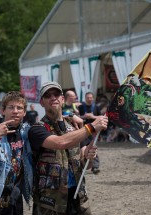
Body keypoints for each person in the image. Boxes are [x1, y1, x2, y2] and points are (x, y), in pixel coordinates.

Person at [28, 82, 108, 215]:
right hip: (50, 203)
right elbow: (60, 142)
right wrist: (91, 127)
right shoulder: (37, 129)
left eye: (56, 94)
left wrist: (89, 155)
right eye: (47, 96)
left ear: (62, 99)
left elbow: (86, 164)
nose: (53, 97)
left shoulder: (75, 126)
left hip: (78, 198)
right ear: (42, 102)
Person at [0, 91, 33, 215]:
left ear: (24, 112)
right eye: (11, 107)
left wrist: (69, 116)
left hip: (15, 198)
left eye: (19, 108)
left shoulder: (26, 132)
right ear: (3, 110)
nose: (15, 111)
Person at [78, 92, 102, 174]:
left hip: (93, 131)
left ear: (93, 98)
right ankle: (83, 165)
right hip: (83, 130)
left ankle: (95, 167)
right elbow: (77, 117)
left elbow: (101, 117)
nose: (89, 99)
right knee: (83, 148)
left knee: (93, 147)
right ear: (85, 98)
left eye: (91, 97)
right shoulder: (81, 107)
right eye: (88, 97)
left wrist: (92, 117)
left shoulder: (96, 107)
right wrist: (84, 117)